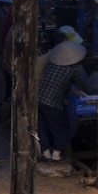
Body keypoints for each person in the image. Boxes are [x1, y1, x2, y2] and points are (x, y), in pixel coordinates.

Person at [36, 28, 90, 162]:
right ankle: (56, 155)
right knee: (62, 128)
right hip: (52, 102)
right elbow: (82, 85)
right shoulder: (73, 70)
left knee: (43, 127)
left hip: (38, 99)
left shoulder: (50, 64)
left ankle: (46, 153)